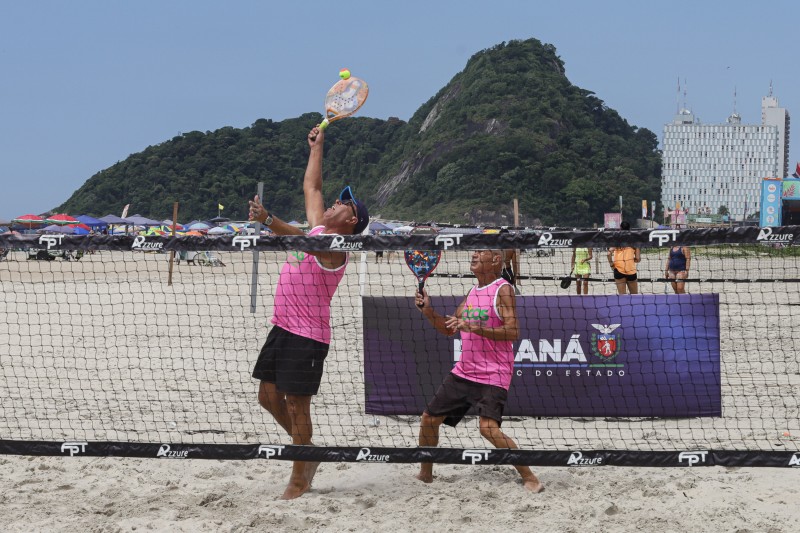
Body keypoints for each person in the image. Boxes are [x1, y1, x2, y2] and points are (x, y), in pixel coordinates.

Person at [248, 124, 369, 500]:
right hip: (282, 327)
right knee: (267, 398)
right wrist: (318, 147)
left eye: (343, 204)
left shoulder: (336, 249)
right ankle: (308, 451)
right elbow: (312, 188)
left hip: (308, 336)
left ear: (351, 221)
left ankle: (299, 475)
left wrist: (269, 221)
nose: (334, 202)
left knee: (298, 405)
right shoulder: (319, 230)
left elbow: (296, 238)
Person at [413, 249, 544, 493]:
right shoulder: (473, 291)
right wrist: (429, 311)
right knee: (429, 419)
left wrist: (473, 326)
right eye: (473, 251)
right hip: (464, 371)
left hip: (494, 372)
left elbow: (513, 332)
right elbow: (449, 328)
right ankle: (426, 474)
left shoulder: (502, 289)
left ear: (495, 260)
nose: (474, 255)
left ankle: (530, 477)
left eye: (480, 252)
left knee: (487, 429)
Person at [607, 221, 641, 295]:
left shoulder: (616, 240)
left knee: (622, 298)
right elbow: (638, 259)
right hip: (630, 269)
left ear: (620, 228)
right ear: (629, 229)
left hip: (618, 270)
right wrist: (633, 259)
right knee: (634, 297)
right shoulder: (634, 241)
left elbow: (608, 253)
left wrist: (611, 264)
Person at [498, 228, 520, 294]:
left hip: (497, 273)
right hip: (507, 272)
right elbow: (514, 264)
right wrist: (515, 278)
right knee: (509, 295)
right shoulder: (512, 248)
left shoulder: (495, 247)